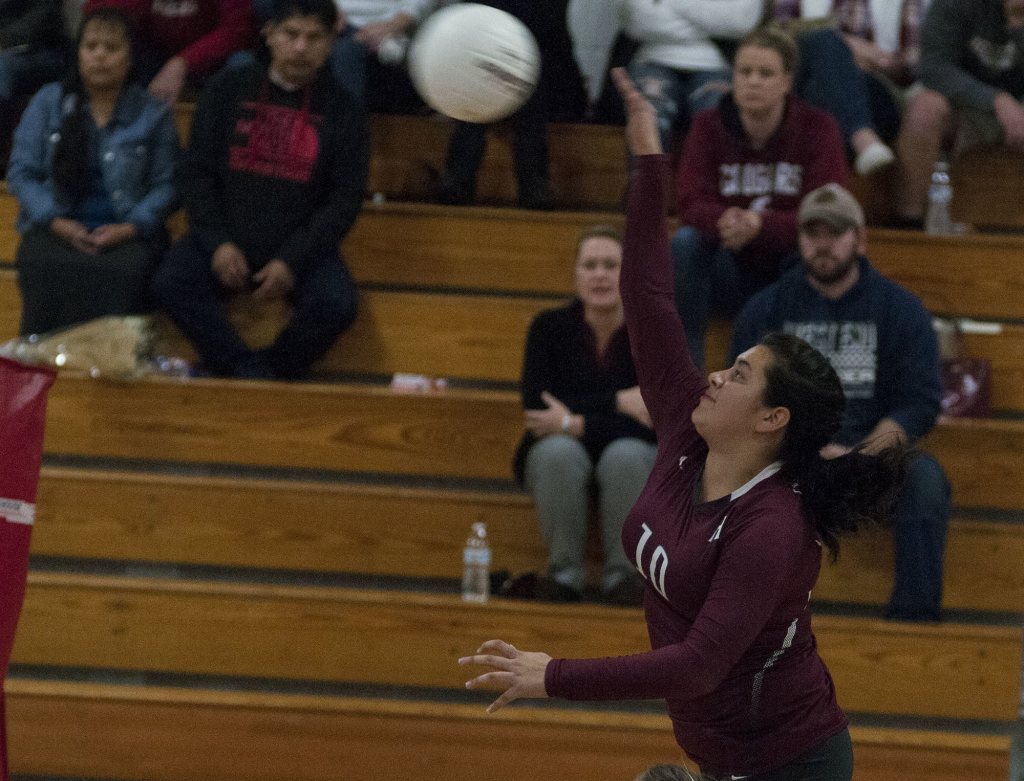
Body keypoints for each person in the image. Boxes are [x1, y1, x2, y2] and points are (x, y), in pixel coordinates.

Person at [458, 68, 907, 781]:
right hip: (720, 753)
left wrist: (554, 674)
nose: (717, 375)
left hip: (790, 763)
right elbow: (647, 295)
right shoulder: (685, 428)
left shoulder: (771, 527)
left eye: (741, 375)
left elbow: (698, 665)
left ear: (773, 418)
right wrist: (648, 162)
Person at [729, 183, 949, 622]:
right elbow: (740, 397)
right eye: (813, 234)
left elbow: (919, 402)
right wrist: (798, 449)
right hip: (787, 457)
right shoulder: (766, 310)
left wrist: (861, 454)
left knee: (925, 480)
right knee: (725, 472)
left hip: (872, 456)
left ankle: (914, 624)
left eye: (835, 233)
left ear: (860, 240)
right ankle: (740, 619)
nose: (823, 245)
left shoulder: (901, 310)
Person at [150, 0, 367, 380]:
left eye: (314, 38)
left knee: (337, 304)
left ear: (330, 43)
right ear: (269, 34)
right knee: (171, 283)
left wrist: (292, 259)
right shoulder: (226, 89)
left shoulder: (345, 109)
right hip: (226, 234)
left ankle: (271, 368)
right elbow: (196, 172)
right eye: (291, 34)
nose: (300, 47)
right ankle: (240, 365)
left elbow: (344, 199)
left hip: (299, 243)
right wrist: (218, 243)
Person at [671, 25, 847, 368]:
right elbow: (690, 202)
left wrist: (760, 225)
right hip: (727, 261)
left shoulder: (819, 128)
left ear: (787, 82)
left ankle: (792, 374)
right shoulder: (707, 125)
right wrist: (725, 220)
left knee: (816, 250)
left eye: (765, 74)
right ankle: (683, 369)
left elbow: (827, 209)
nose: (753, 82)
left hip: (788, 265)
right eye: (744, 72)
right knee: (685, 243)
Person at [6, 6, 179, 336]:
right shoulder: (48, 102)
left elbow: (168, 184)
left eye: (111, 48)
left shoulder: (153, 114)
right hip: (57, 226)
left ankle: (112, 357)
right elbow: (21, 173)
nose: (100, 56)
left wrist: (130, 227)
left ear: (130, 58)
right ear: (78, 53)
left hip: (127, 232)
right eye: (91, 46)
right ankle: (43, 355)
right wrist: (56, 222)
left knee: (129, 270)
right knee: (40, 261)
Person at [512, 224, 656, 606]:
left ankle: (624, 579)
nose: (600, 275)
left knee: (626, 455)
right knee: (557, 452)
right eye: (589, 265)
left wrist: (573, 421)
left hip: (633, 454)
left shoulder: (656, 334)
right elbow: (538, 408)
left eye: (611, 265)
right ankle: (564, 577)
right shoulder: (547, 328)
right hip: (560, 452)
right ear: (575, 274)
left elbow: (655, 421)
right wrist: (617, 402)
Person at [433, 0, 587, 210]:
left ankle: (530, 186)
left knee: (525, 97)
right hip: (494, 48)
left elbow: (552, 28)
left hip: (528, 53)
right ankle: (462, 180)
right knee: (481, 98)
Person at [893, 0, 1024, 227]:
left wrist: (1018, 25)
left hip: (1019, 108)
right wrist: (997, 100)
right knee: (925, 108)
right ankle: (908, 224)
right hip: (963, 105)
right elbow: (934, 68)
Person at [770, 2, 902, 174]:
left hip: (875, 90)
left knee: (828, 70)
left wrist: (880, 61)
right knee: (825, 43)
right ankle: (864, 140)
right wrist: (842, 49)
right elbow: (777, 41)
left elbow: (917, 62)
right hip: (802, 82)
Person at [625, 0, 763, 153]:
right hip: (652, 59)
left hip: (716, 63)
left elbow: (742, 21)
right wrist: (711, 15)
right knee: (647, 119)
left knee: (716, 120)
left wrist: (666, 4)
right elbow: (637, 19)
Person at [82, 0, 254, 106]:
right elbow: (96, 12)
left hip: (213, 62)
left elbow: (237, 30)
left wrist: (183, 62)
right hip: (153, 60)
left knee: (242, 64)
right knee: (107, 48)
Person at [0, 1, 67, 161]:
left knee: (2, 67)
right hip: (11, 50)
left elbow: (41, 20)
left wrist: (3, 38)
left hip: (45, 51)